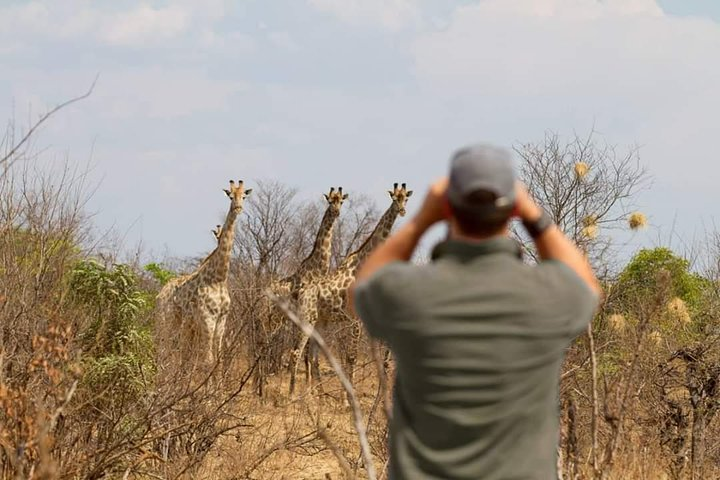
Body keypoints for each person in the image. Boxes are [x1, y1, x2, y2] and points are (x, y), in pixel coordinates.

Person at [348, 144, 601, 480]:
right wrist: (534, 216)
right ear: (512, 209)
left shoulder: (409, 293)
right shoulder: (548, 295)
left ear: (447, 207)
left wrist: (421, 219)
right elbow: (587, 287)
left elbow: (361, 290)